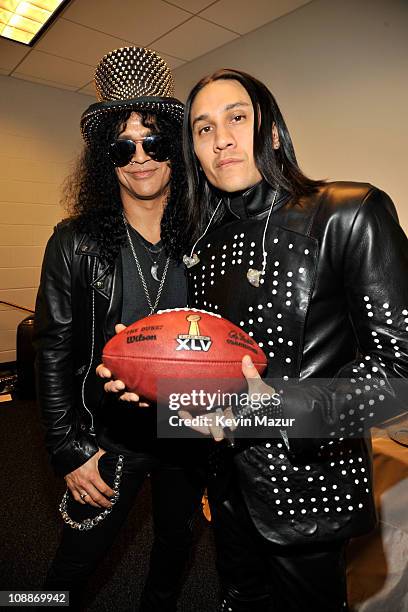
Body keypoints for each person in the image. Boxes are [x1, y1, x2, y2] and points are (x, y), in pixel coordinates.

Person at [180, 69, 408, 611]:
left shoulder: (350, 212)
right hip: (226, 482)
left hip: (309, 483)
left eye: (237, 117)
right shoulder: (202, 242)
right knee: (240, 599)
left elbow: (399, 370)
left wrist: (276, 409)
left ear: (273, 132)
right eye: (203, 128)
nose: (222, 139)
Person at [33, 47, 207, 611]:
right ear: (105, 159)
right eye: (123, 146)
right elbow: (54, 350)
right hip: (112, 434)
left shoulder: (206, 236)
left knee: (178, 544)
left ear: (174, 152)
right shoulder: (75, 241)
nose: (140, 158)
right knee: (75, 563)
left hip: (189, 432)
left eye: (153, 142)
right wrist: (67, 449)